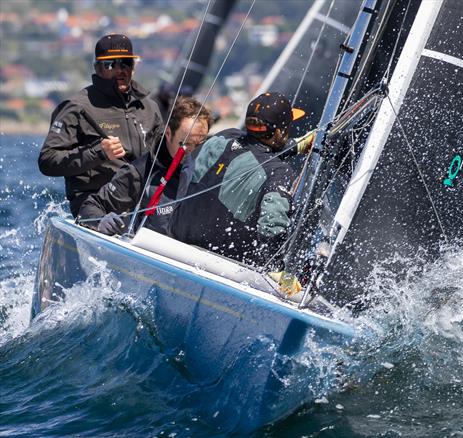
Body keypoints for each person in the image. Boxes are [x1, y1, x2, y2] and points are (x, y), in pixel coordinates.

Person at [169, 92, 314, 268]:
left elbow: (250, 150)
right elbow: (272, 225)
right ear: (277, 132)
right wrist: (276, 267)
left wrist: (294, 145)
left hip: (174, 247)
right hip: (222, 267)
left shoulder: (223, 137)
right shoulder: (279, 172)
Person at [38, 34, 163, 217]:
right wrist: (98, 152)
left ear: (133, 67)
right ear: (97, 68)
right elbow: (47, 161)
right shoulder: (76, 107)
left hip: (142, 205)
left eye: (126, 63)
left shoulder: (149, 107)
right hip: (94, 205)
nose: (120, 70)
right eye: (111, 64)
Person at [78, 96, 211, 236]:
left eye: (198, 145)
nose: (191, 152)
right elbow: (90, 206)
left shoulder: (208, 169)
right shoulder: (140, 171)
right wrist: (100, 222)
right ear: (168, 133)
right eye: (184, 144)